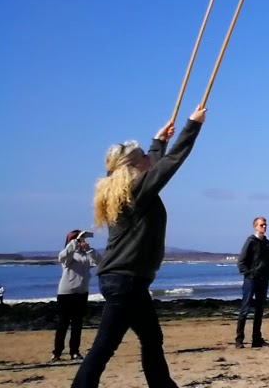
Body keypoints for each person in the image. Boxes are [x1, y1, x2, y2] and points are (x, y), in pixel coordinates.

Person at [71, 108, 207, 388]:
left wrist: (157, 142)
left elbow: (155, 164)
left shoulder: (125, 189)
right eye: (145, 155)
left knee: (150, 337)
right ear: (135, 166)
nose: (150, 158)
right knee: (105, 346)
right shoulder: (136, 191)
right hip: (125, 281)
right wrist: (192, 126)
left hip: (125, 280)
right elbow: (169, 164)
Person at [54, 229, 101, 361]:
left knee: (77, 324)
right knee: (63, 324)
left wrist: (89, 249)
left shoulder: (85, 255)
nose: (82, 241)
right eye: (80, 239)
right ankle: (57, 352)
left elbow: (98, 262)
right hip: (66, 293)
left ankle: (74, 351)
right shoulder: (69, 255)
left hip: (81, 293)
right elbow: (62, 257)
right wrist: (73, 244)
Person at [234, 216, 269, 349]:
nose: (264, 227)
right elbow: (241, 262)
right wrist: (250, 274)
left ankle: (257, 339)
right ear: (255, 226)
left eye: (265, 225)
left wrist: (267, 276)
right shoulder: (250, 241)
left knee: (259, 310)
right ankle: (239, 339)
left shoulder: (267, 243)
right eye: (261, 225)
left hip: (263, 280)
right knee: (245, 308)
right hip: (251, 280)